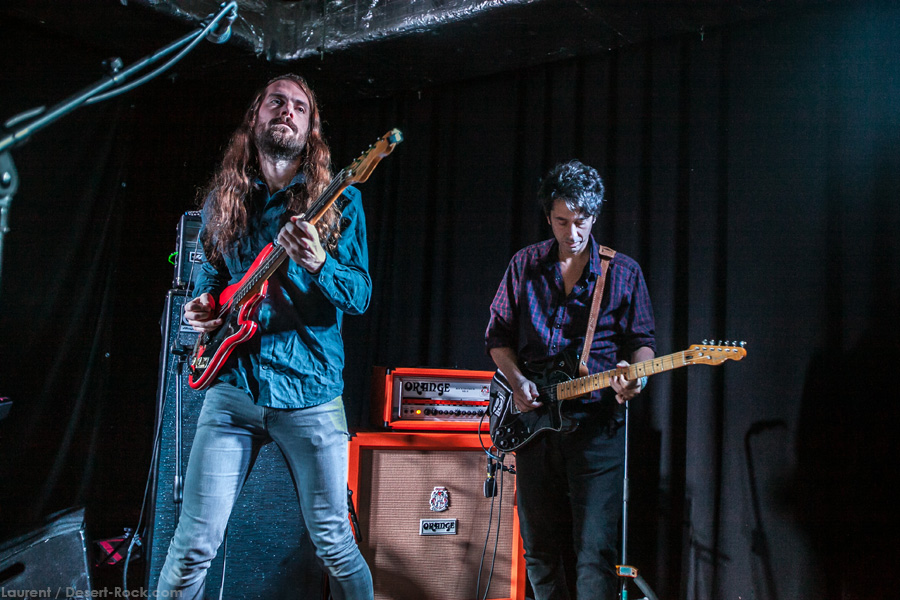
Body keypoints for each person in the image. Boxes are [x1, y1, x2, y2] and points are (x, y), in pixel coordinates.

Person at [157, 74, 374, 599]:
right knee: (191, 547)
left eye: (300, 106)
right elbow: (213, 274)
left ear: (310, 128)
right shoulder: (225, 199)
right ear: (256, 116)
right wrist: (203, 304)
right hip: (234, 388)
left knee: (335, 544)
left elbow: (360, 295)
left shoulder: (340, 201)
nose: (288, 111)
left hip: (310, 391)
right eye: (277, 101)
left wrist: (319, 263)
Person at [485, 160, 655, 599]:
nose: (572, 233)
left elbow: (643, 342)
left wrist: (634, 377)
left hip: (597, 426)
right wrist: (517, 380)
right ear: (548, 217)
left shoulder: (623, 272)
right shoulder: (524, 265)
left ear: (594, 217)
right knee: (539, 550)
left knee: (595, 552)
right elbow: (497, 337)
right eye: (562, 221)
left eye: (580, 222)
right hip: (534, 425)